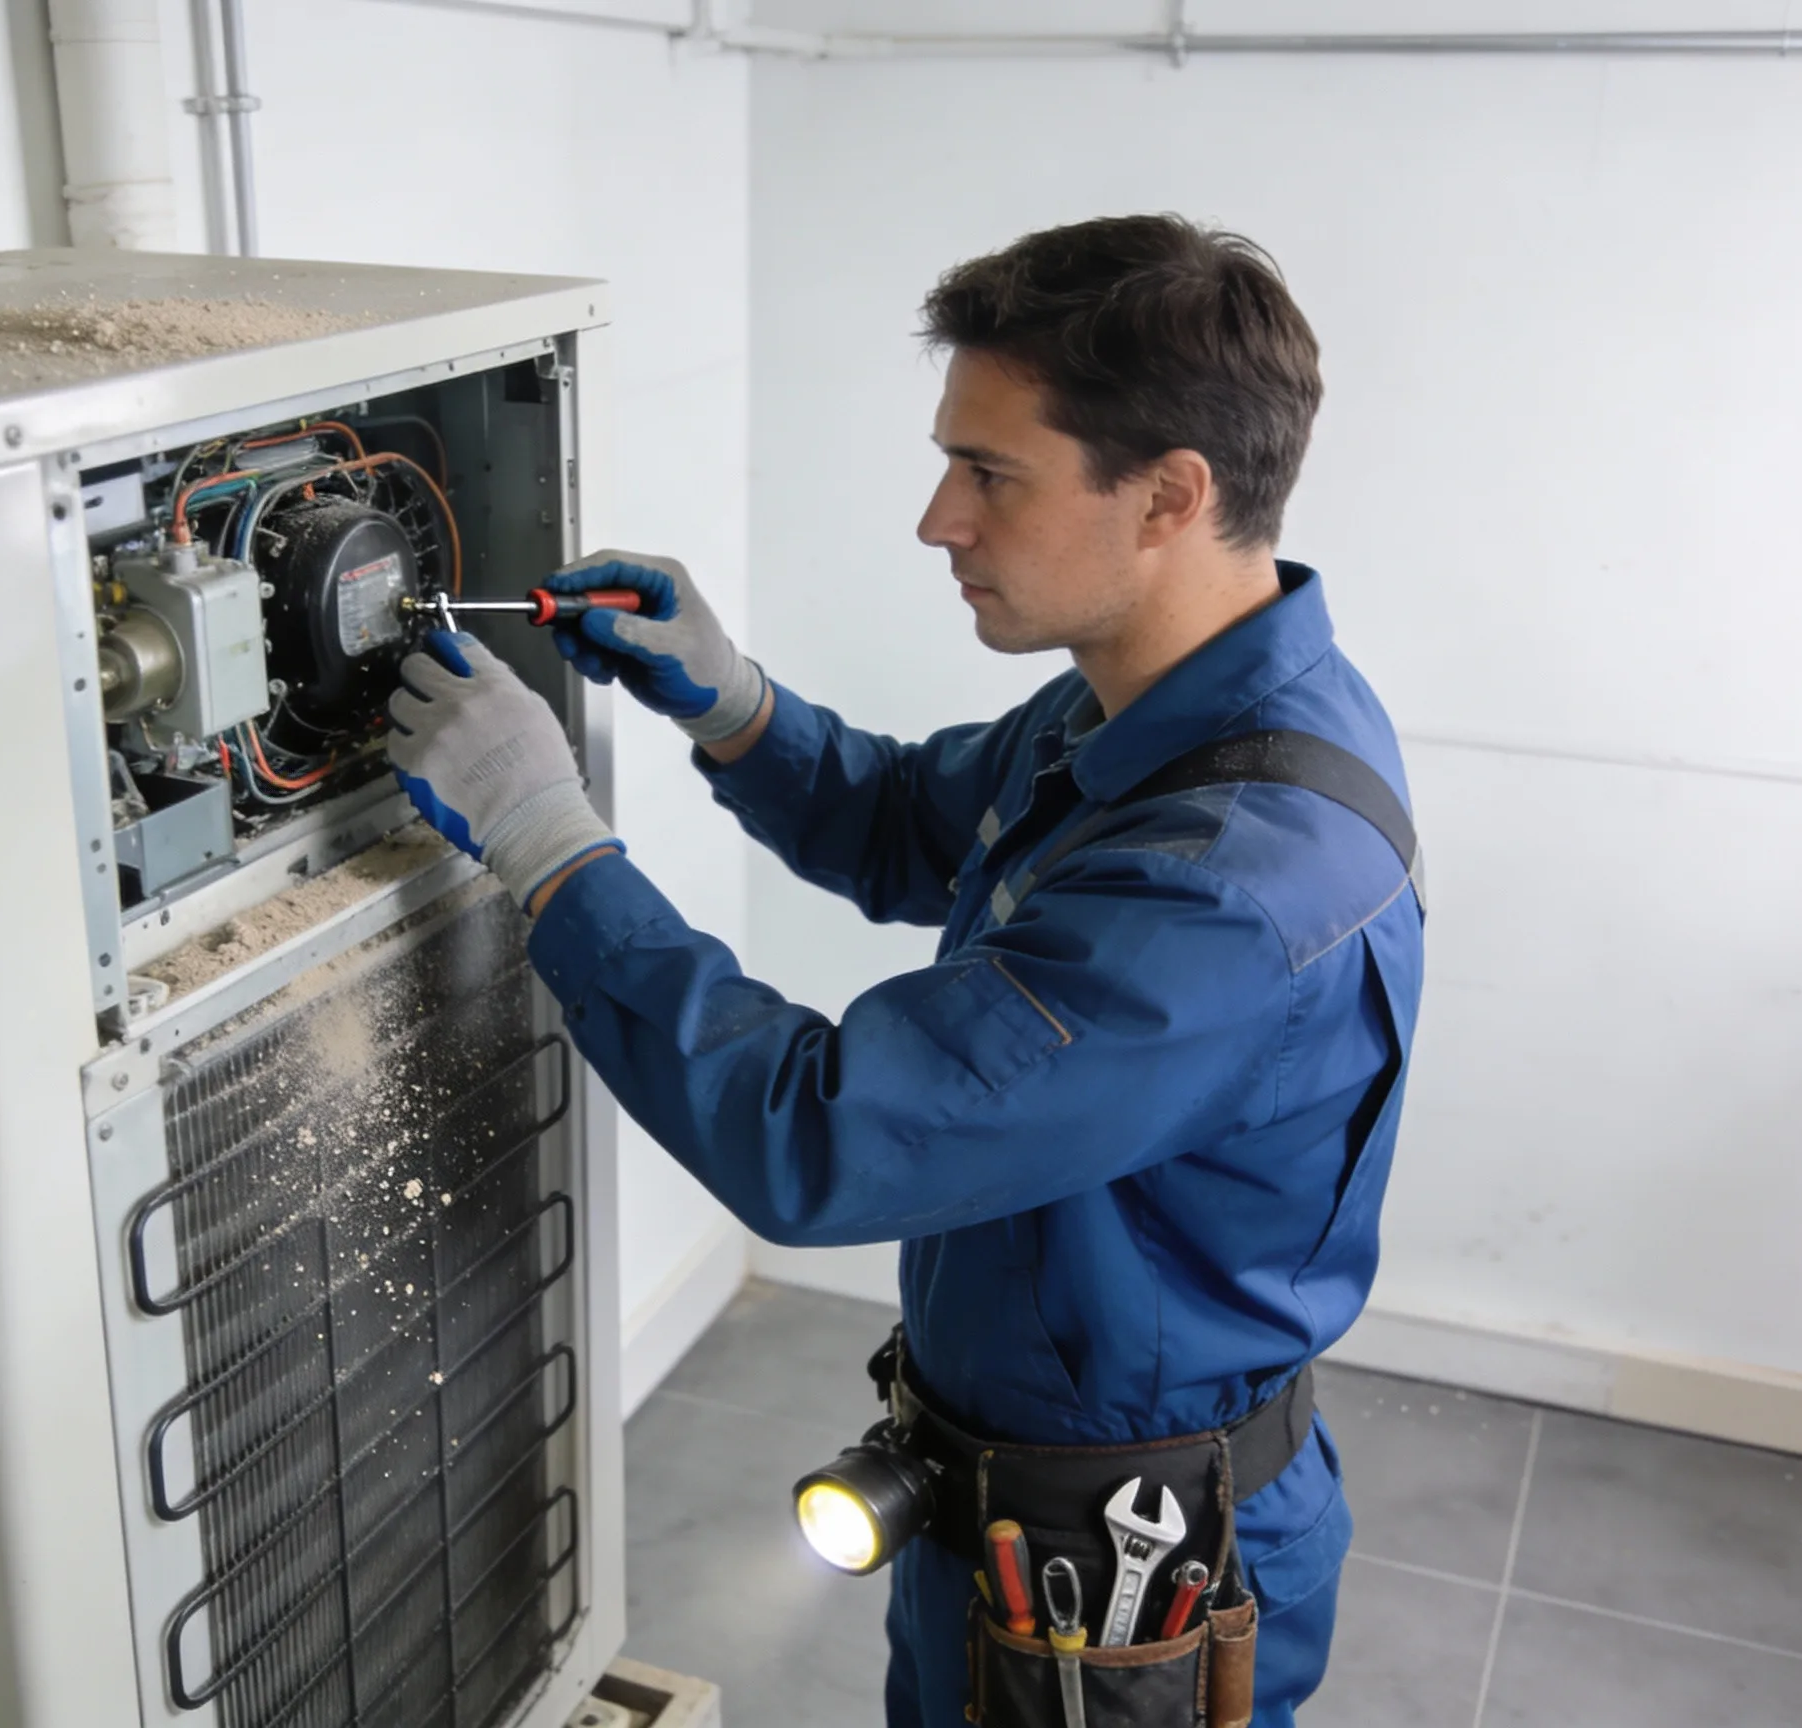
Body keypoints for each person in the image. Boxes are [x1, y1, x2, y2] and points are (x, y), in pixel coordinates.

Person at [387, 214, 1424, 1728]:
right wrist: (733, 704)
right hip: (1002, 1513)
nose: (940, 520)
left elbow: (825, 1138)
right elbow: (906, 821)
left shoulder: (1228, 882)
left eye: (991, 473)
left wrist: (548, 842)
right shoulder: (1153, 715)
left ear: (1172, 496)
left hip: (1116, 1588)